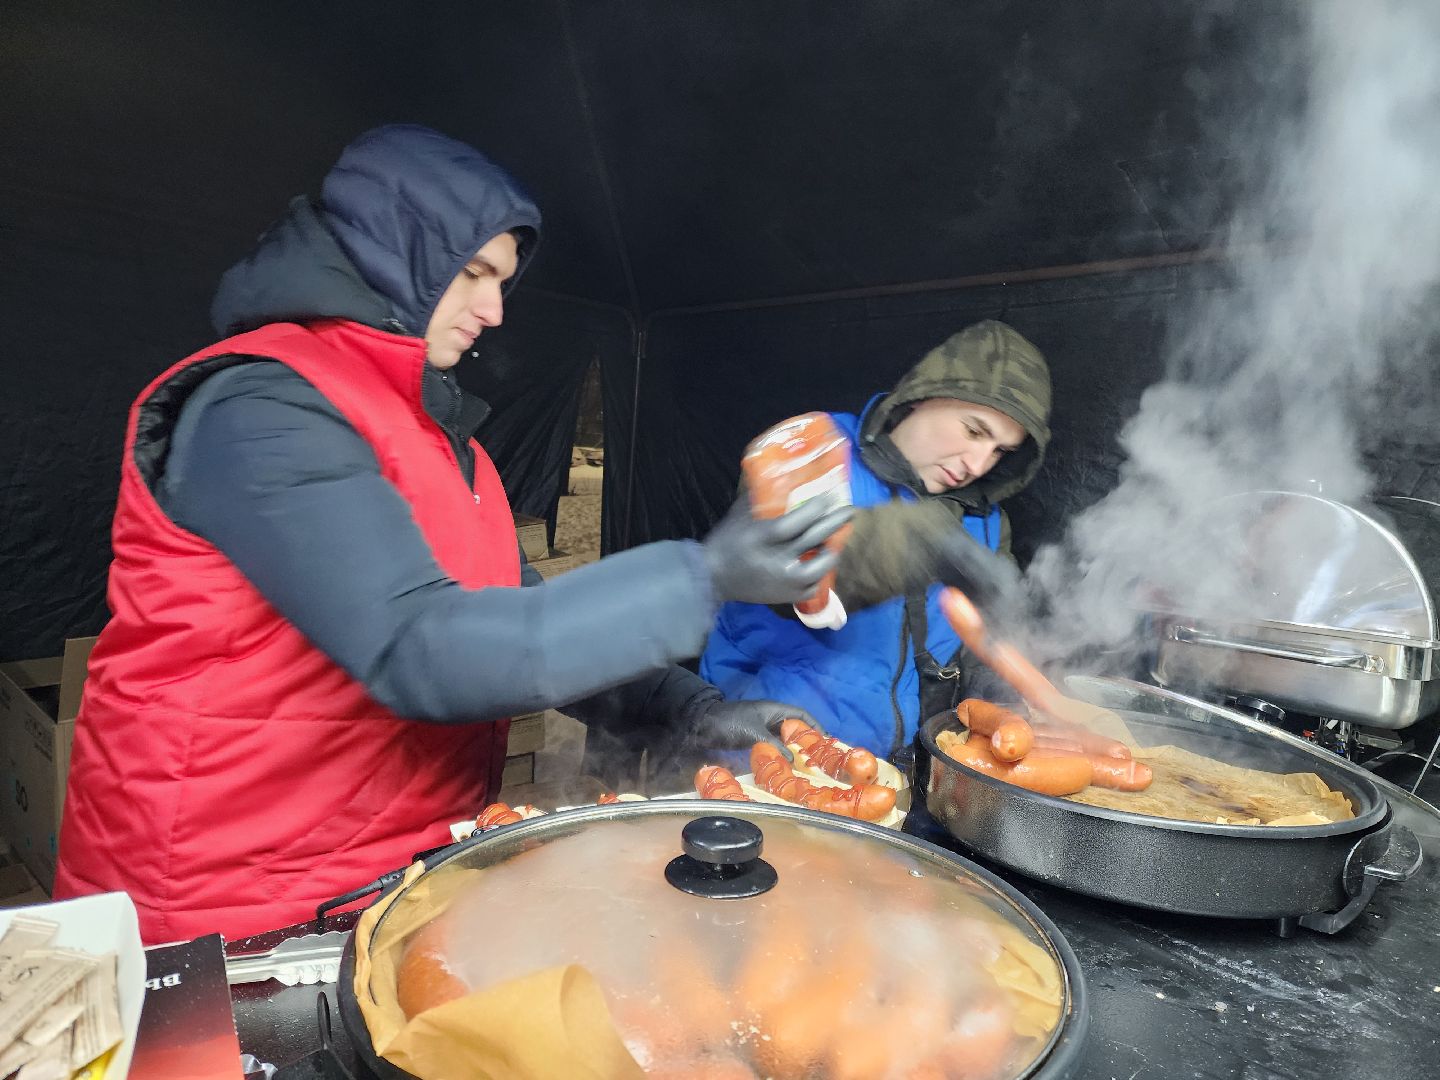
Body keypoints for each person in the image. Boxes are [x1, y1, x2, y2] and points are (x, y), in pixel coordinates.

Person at [53, 125, 848, 945]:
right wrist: (704, 577)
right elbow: (419, 649)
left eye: (502, 281)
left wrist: (690, 711)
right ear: (387, 252)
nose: (495, 310)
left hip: (393, 875)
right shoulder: (261, 407)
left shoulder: (451, 450)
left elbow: (512, 619)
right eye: (473, 275)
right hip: (224, 897)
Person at [700, 321, 1052, 759]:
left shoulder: (985, 519)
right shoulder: (815, 451)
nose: (978, 463)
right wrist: (923, 540)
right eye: (974, 430)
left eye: (1000, 450)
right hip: (768, 753)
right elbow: (781, 574)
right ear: (922, 396)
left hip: (895, 772)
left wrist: (1007, 701)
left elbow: (984, 647)